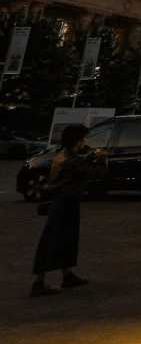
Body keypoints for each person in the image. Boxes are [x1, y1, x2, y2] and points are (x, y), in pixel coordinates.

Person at [30, 124, 106, 297]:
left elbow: (78, 166)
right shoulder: (70, 160)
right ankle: (38, 283)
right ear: (77, 141)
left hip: (63, 201)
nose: (86, 141)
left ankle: (67, 276)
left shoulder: (63, 155)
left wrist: (88, 157)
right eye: (84, 138)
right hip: (65, 203)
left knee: (65, 239)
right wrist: (102, 158)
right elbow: (96, 172)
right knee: (52, 241)